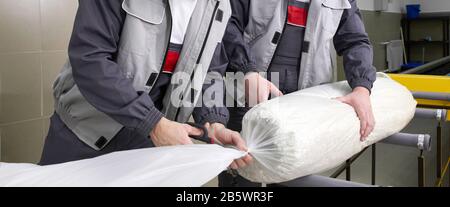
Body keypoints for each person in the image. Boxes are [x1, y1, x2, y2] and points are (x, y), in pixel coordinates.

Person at [39, 0, 252, 170]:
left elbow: (209, 71)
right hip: (86, 131)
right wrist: (152, 122)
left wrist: (214, 121)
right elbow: (90, 59)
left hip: (151, 142)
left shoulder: (219, 5)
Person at [219, 0, 377, 186]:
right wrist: (246, 69)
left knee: (293, 175)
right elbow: (228, 23)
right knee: (241, 174)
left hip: (304, 104)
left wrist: (361, 88)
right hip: (248, 95)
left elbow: (355, 40)